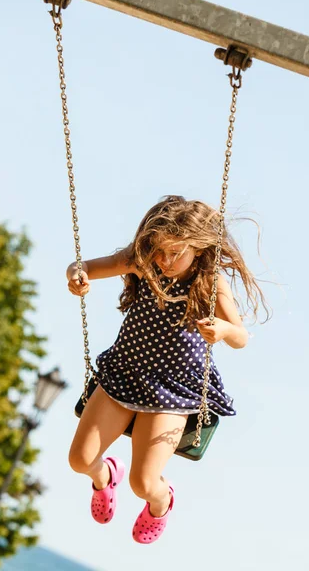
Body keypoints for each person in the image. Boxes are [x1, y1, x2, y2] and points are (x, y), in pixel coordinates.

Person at [66, 195, 267, 544]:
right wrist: (77, 277)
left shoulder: (210, 282)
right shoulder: (142, 262)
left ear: (198, 247)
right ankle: (105, 476)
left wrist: (221, 330)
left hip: (173, 392)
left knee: (143, 483)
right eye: (160, 250)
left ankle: (161, 502)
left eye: (176, 252)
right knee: (80, 460)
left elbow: (241, 337)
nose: (166, 260)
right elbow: (82, 267)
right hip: (125, 375)